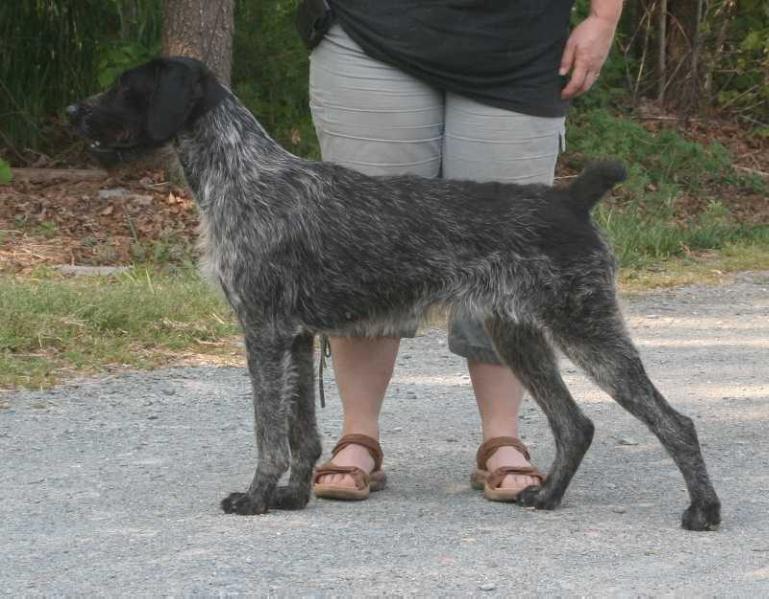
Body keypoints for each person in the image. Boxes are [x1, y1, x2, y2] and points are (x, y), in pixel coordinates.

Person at [305, 0, 623, 501]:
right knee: (366, 248)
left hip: (519, 44)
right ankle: (357, 436)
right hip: (371, 33)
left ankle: (503, 439)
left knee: (508, 251)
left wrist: (604, 17)